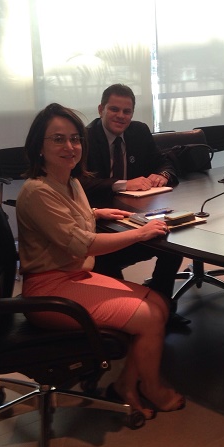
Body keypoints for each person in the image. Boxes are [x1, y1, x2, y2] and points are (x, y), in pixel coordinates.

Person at [17, 103, 186, 420]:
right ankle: (151, 387)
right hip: (49, 290)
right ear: (39, 146)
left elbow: (68, 220)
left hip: (73, 277)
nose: (70, 147)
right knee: (150, 317)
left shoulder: (69, 181)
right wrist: (139, 233)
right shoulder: (37, 191)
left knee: (161, 304)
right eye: (58, 139)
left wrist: (95, 213)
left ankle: (125, 386)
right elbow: (84, 243)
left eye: (75, 139)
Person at [78, 83, 188, 325]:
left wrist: (163, 175)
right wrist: (122, 184)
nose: (121, 116)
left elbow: (164, 161)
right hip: (103, 220)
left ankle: (162, 307)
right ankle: (126, 314)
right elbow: (79, 182)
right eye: (114, 109)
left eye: (126, 111)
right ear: (101, 109)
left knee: (172, 244)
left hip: (137, 214)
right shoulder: (85, 138)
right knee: (105, 260)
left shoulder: (138, 131)